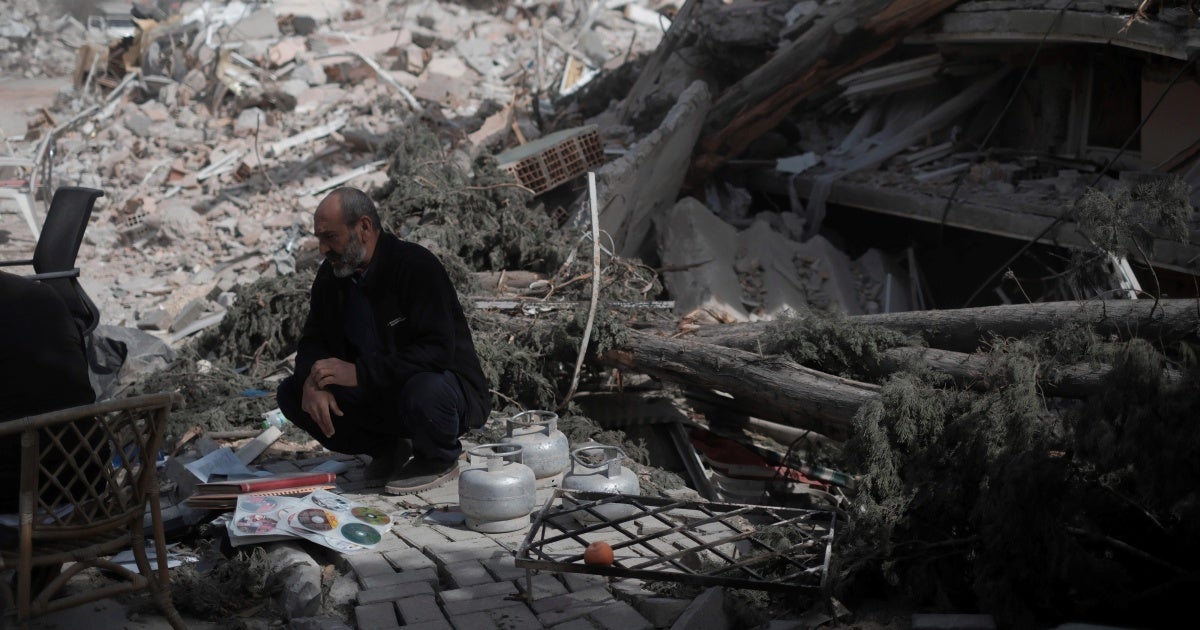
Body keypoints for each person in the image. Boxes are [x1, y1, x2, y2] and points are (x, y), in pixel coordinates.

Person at [276, 187, 491, 494]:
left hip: (443, 393)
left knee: (425, 389)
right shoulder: (332, 277)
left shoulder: (415, 267)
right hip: (380, 394)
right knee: (292, 394)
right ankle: (389, 449)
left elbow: (436, 352)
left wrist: (359, 373)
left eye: (330, 237)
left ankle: (438, 458)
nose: (322, 249)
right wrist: (312, 382)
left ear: (363, 228)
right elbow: (312, 341)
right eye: (319, 238)